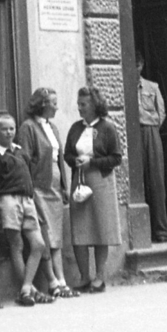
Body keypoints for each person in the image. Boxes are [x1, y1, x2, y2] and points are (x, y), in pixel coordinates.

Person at [0, 114, 52, 307]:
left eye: (12, 128)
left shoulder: (20, 152)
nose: (9, 132)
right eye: (4, 129)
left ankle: (26, 288)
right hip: (9, 201)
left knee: (38, 244)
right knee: (17, 245)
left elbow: (28, 174)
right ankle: (30, 291)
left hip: (27, 200)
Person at [63, 85, 123, 292]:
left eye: (84, 104)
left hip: (101, 182)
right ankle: (83, 276)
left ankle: (99, 276)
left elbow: (116, 157)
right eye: (78, 104)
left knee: (100, 228)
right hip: (79, 181)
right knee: (79, 229)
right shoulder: (75, 128)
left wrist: (93, 163)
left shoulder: (107, 128)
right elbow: (67, 154)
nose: (80, 108)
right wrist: (75, 160)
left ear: (95, 105)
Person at [20, 88, 79, 298]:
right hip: (38, 186)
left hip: (54, 186)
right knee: (46, 234)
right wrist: (30, 189)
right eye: (53, 103)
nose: (56, 107)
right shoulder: (28, 127)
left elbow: (59, 158)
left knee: (57, 235)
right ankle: (52, 282)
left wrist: (64, 184)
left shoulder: (53, 127)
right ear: (42, 104)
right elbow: (25, 160)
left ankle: (62, 281)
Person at [134, 53, 167, 242]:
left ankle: (161, 230)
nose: (135, 68)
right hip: (133, 133)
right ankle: (143, 233)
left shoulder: (152, 86)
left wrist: (151, 126)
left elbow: (161, 112)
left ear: (142, 65)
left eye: (138, 64)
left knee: (156, 180)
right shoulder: (125, 86)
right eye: (132, 65)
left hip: (150, 131)